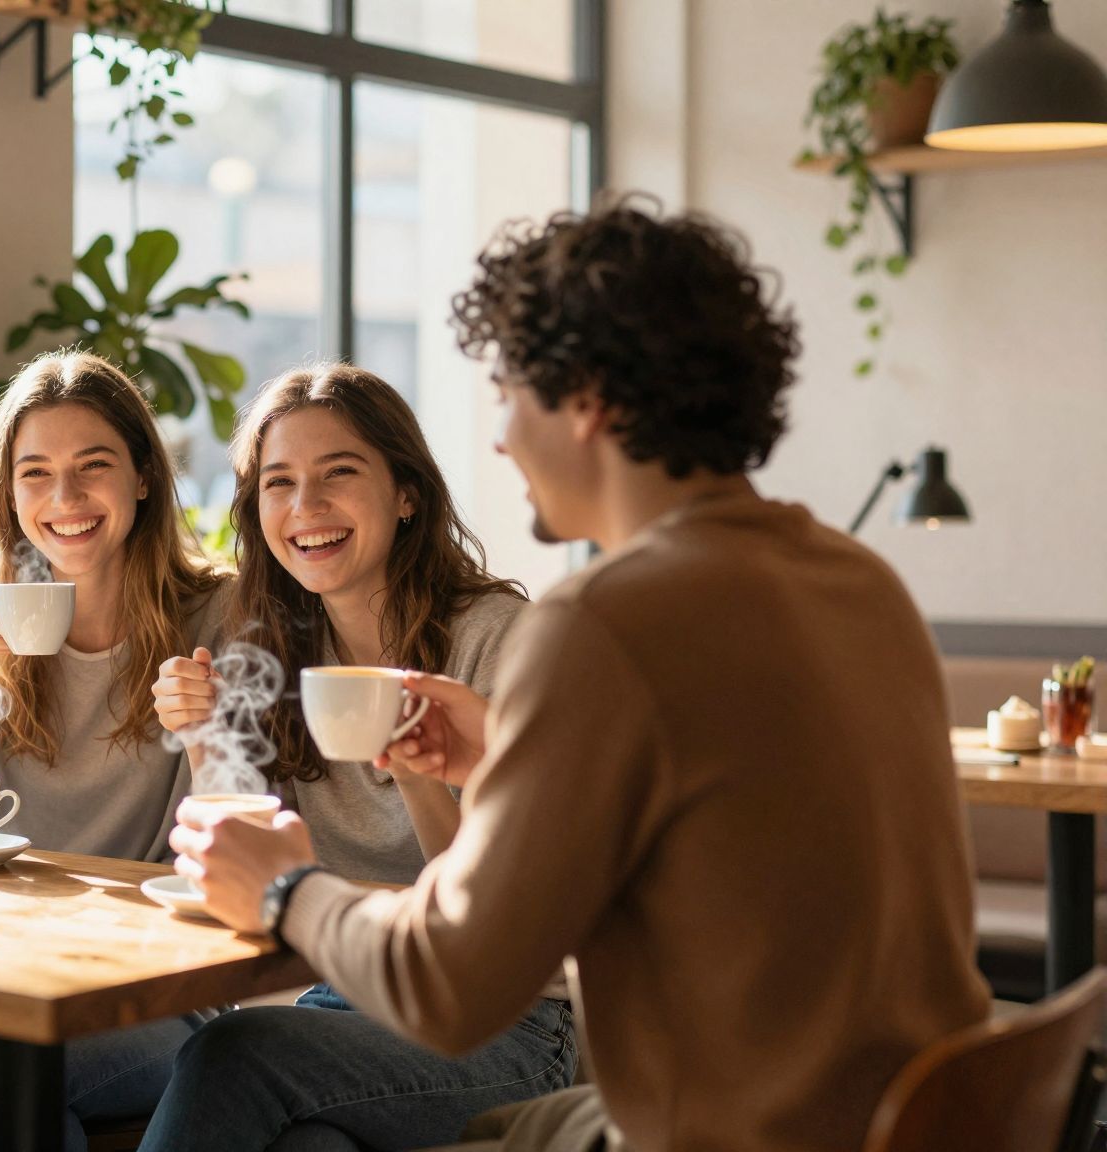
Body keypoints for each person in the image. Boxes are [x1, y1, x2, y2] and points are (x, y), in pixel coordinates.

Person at [167, 198, 991, 1152]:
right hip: (915, 1117)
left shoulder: (600, 623)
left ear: (587, 401)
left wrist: (282, 888)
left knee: (237, 1062)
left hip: (734, 1132)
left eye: (513, 395)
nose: (502, 439)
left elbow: (449, 988)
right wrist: (506, 755)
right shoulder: (861, 583)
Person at [144, 366, 573, 1151]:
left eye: (338, 474)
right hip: (345, 1001)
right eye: (279, 484)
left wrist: (417, 772)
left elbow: (497, 919)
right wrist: (208, 740)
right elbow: (237, 857)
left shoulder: (497, 639)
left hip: (513, 1024)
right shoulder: (269, 647)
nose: (305, 509)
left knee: (233, 1056)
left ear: (406, 493)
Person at [0, 351, 231, 1152]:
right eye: (34, 472)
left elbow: (228, 847)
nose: (64, 499)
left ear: (144, 476)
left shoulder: (218, 611)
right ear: (8, 494)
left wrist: (210, 732)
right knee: (9, 1081)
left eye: (93, 466)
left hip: (147, 994)